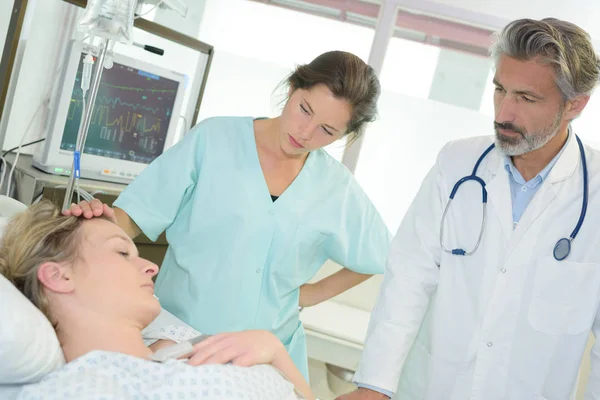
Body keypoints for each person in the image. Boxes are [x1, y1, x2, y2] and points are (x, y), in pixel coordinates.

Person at [63, 50, 392, 380]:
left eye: (327, 130)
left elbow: (380, 257)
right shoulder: (213, 140)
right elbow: (135, 214)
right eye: (304, 109)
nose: (306, 132)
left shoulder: (337, 188)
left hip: (268, 359)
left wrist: (311, 294)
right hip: (179, 341)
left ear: (345, 135)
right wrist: (95, 227)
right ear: (292, 87)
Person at [337, 17, 600, 400]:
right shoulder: (457, 163)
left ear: (575, 104)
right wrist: (374, 384)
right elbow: (408, 278)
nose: (503, 113)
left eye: (526, 98)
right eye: (499, 90)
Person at [0, 200, 315, 399]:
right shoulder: (82, 388)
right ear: (59, 277)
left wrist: (273, 350)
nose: (151, 267)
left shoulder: (172, 351)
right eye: (123, 253)